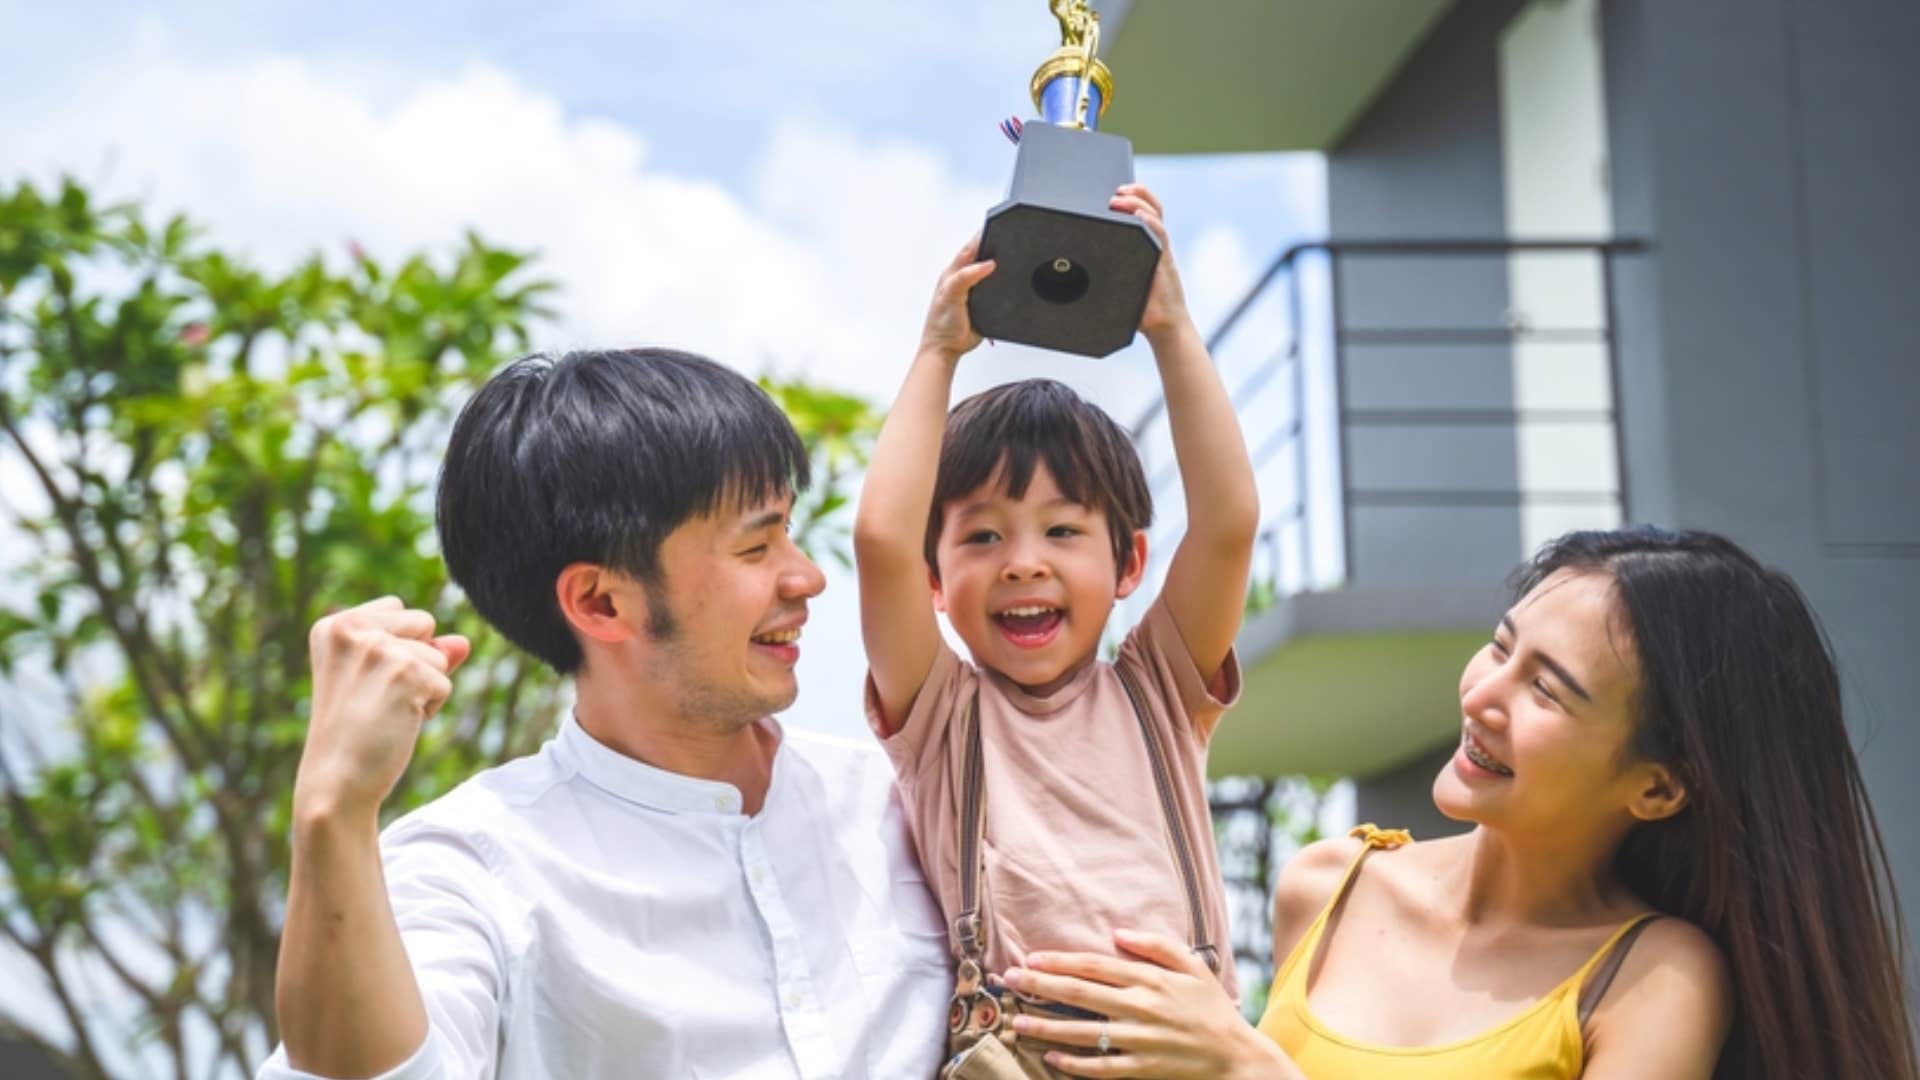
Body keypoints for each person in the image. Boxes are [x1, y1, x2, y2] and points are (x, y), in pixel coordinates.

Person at [992, 527, 1918, 1080]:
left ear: (1659, 785)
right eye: (1500, 646)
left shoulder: (1655, 979)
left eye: (1547, 690)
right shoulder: (1328, 884)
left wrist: (1243, 1061)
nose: (1482, 694)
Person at [260, 348, 950, 1079]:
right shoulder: (470, 865)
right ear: (601, 603)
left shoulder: (904, 799)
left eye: (790, 532)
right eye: (756, 544)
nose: (806, 576)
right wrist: (332, 811)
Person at [854, 184, 1259, 1074]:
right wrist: (936, 352)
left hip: (1184, 1056)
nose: (1023, 563)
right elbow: (881, 538)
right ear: (935, 579)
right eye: (984, 534)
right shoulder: (941, 715)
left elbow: (1228, 521)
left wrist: (1172, 332)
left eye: (1064, 530)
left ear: (1129, 567)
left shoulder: (1158, 689)